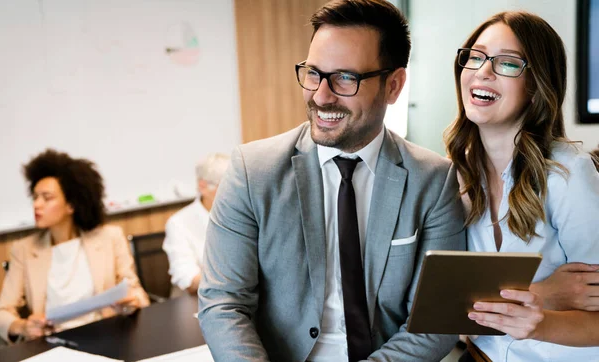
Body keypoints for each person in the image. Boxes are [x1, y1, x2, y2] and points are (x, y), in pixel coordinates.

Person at [198, 1, 466, 361]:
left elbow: (434, 322)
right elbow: (223, 303)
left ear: (394, 85)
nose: (321, 96)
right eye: (313, 73)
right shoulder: (252, 171)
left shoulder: (432, 180)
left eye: (345, 78)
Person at [444, 11, 599, 361]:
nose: (483, 71)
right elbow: (446, 308)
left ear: (536, 86)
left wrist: (539, 321)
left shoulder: (568, 174)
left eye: (507, 63)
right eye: (476, 56)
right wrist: (542, 293)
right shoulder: (454, 175)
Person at [0, 149, 150, 344]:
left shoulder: (109, 237)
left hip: (107, 336)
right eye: (35, 197)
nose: (37, 204)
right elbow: (2, 311)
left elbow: (136, 292)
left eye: (47, 197)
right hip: (53, 343)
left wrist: (131, 302)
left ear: (71, 204)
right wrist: (23, 326)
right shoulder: (24, 249)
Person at [162, 153, 230, 296]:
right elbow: (188, 279)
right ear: (203, 187)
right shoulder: (178, 223)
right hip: (197, 299)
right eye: (226, 185)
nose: (234, 193)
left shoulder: (244, 214)